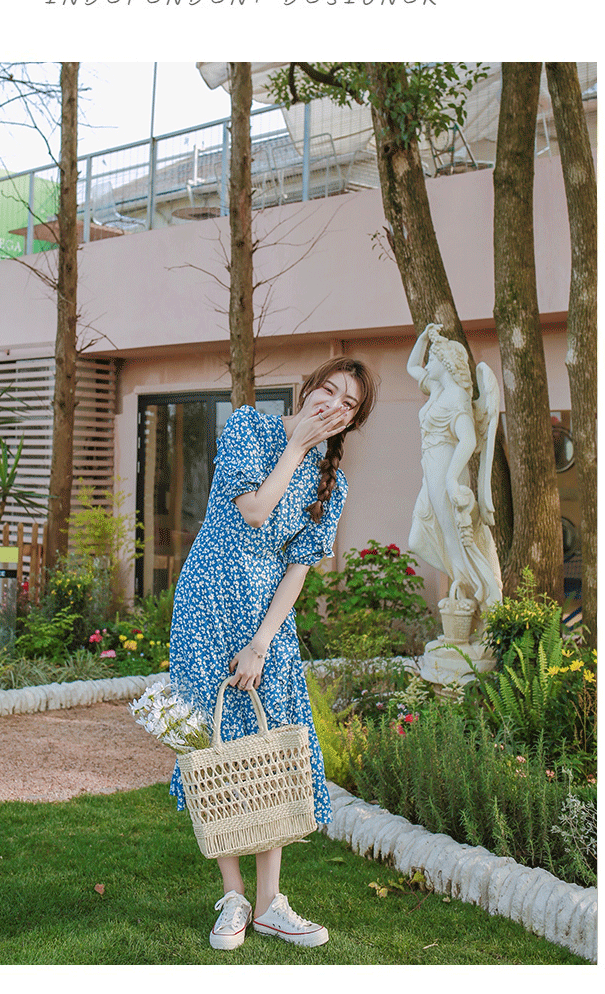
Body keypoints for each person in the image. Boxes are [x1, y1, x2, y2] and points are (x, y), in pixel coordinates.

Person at [168, 356, 378, 950]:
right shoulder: (248, 427)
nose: (333, 404)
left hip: (268, 623)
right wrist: (297, 445)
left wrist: (262, 641)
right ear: (308, 389)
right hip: (209, 603)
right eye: (328, 390)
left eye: (348, 404)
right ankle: (233, 896)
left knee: (274, 754)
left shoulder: (333, 484)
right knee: (215, 751)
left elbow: (297, 569)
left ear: (350, 421)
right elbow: (256, 511)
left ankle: (270, 904)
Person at [406, 323, 501, 620]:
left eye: (432, 359)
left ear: (445, 363)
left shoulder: (457, 396)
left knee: (454, 538)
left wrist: (450, 478)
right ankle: (469, 585)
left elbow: (468, 439)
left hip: (447, 471)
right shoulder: (437, 390)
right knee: (418, 539)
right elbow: (411, 366)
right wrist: (424, 339)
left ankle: (475, 599)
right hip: (431, 471)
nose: (427, 364)